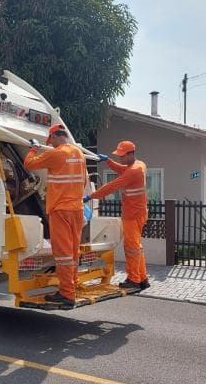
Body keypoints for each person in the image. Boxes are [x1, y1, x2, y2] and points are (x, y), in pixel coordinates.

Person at [24, 123, 87, 307]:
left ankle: (66, 294)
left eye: (49, 141)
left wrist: (34, 148)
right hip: (76, 209)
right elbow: (82, 181)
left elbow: (29, 163)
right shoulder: (79, 154)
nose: (49, 144)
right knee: (73, 251)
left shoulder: (56, 153)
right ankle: (72, 285)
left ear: (54, 137)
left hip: (60, 209)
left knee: (63, 254)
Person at [84, 140, 150, 290]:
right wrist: (108, 161)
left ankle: (133, 279)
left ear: (130, 154)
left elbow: (112, 186)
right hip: (138, 213)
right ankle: (143, 278)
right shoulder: (139, 165)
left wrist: (91, 196)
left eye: (122, 155)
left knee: (132, 248)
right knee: (137, 248)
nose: (120, 158)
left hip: (132, 215)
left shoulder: (133, 171)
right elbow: (122, 169)